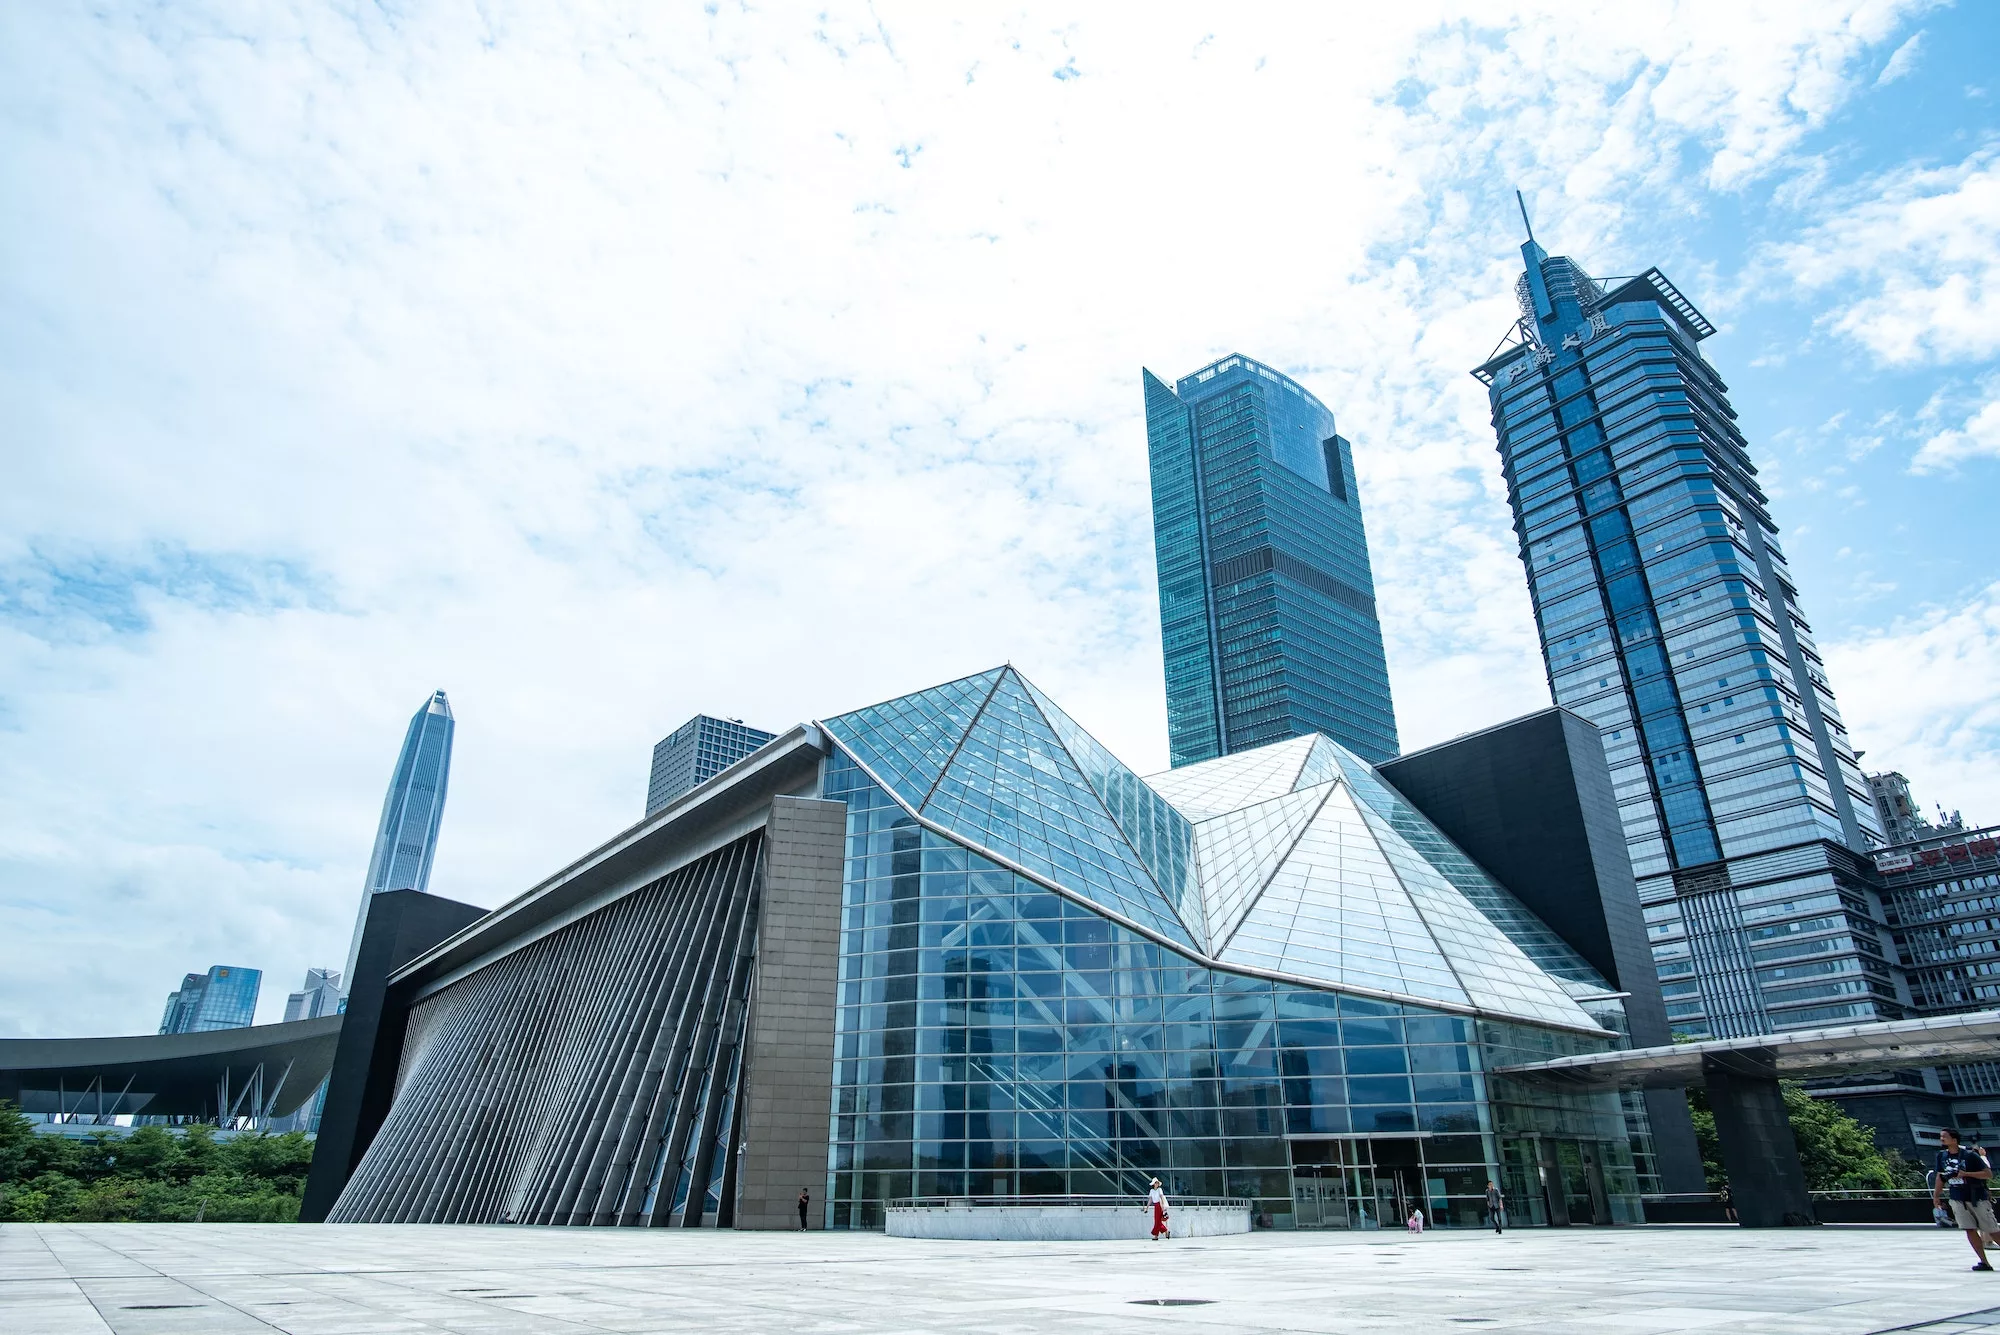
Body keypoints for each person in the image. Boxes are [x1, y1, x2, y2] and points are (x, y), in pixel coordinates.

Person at [1933, 1128, 2000, 1270]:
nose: (1942, 1139)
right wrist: (1936, 1195)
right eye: (1941, 1137)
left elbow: (1988, 1174)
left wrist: (1966, 1174)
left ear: (1954, 1139)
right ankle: (1984, 1262)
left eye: (1944, 1136)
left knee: (1992, 1230)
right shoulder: (1941, 1156)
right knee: (1969, 1229)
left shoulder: (1970, 1155)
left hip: (1977, 1197)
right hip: (1957, 1197)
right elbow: (1940, 1177)